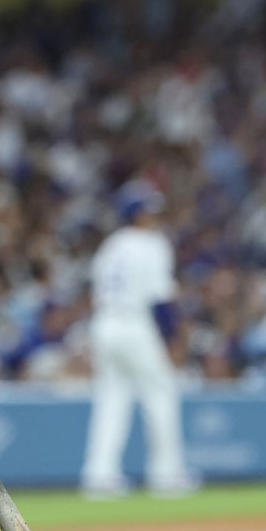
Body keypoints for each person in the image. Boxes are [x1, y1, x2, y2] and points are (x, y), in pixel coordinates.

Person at [79, 183, 198, 498]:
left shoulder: (112, 244)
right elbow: (161, 299)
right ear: (134, 212)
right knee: (161, 392)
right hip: (135, 323)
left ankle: (99, 475)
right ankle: (166, 474)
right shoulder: (152, 243)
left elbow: (95, 289)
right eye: (147, 209)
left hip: (105, 323)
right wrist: (172, 339)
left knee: (112, 398)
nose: (153, 215)